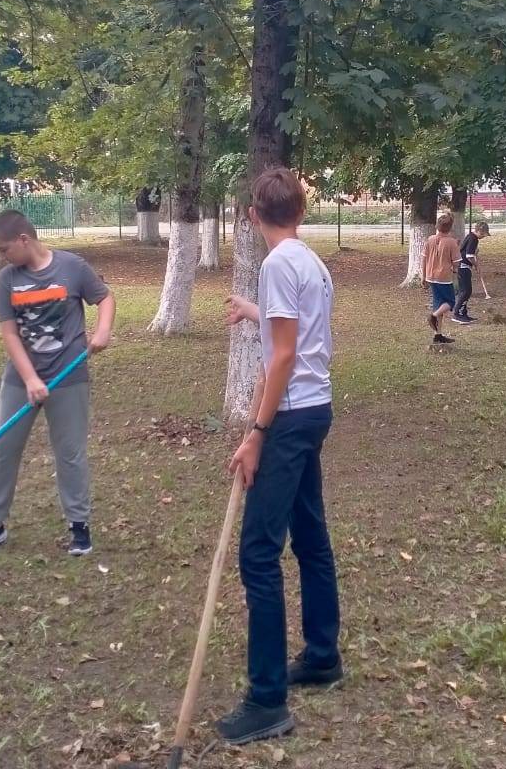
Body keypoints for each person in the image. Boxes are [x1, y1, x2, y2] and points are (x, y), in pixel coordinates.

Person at [219, 167, 342, 745]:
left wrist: (256, 432)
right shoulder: (309, 262)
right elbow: (293, 331)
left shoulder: (275, 265)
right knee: (311, 536)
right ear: (300, 211)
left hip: (290, 418)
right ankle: (321, 655)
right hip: (316, 408)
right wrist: (251, 309)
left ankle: (267, 699)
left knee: (258, 554)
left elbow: (284, 355)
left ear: (252, 216)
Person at [0, 210, 115, 556]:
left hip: (68, 376)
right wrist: (30, 378)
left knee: (70, 452)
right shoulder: (7, 280)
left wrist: (103, 329)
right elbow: (9, 334)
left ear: (24, 240)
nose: (2, 257)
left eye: (5, 249)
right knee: (4, 449)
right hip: (21, 380)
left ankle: (79, 527)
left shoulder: (72, 267)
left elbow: (104, 298)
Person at [421, 212, 460, 344]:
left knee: (439, 305)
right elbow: (456, 262)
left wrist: (424, 276)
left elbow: (424, 258)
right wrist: (455, 270)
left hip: (431, 276)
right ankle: (433, 316)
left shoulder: (430, 239)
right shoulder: (452, 242)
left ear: (437, 226)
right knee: (450, 302)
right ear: (450, 227)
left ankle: (438, 335)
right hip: (444, 277)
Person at [452, 220, 490, 324]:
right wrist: (476, 264)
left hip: (463, 266)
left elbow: (466, 251)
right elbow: (469, 255)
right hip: (463, 267)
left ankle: (463, 313)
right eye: (484, 235)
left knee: (465, 291)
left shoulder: (470, 236)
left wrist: (475, 252)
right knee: (466, 291)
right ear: (480, 232)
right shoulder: (474, 239)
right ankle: (457, 314)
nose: (484, 237)